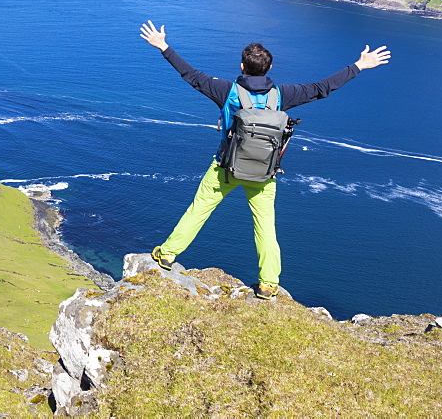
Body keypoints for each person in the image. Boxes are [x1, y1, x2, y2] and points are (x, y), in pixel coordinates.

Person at [139, 20, 390, 299]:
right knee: (265, 227)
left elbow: (191, 75)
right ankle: (269, 283)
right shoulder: (283, 95)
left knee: (199, 210)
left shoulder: (225, 90)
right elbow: (323, 87)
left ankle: (167, 254)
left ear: (242, 67)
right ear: (269, 68)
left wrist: (163, 46)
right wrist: (358, 66)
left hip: (226, 167)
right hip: (264, 173)